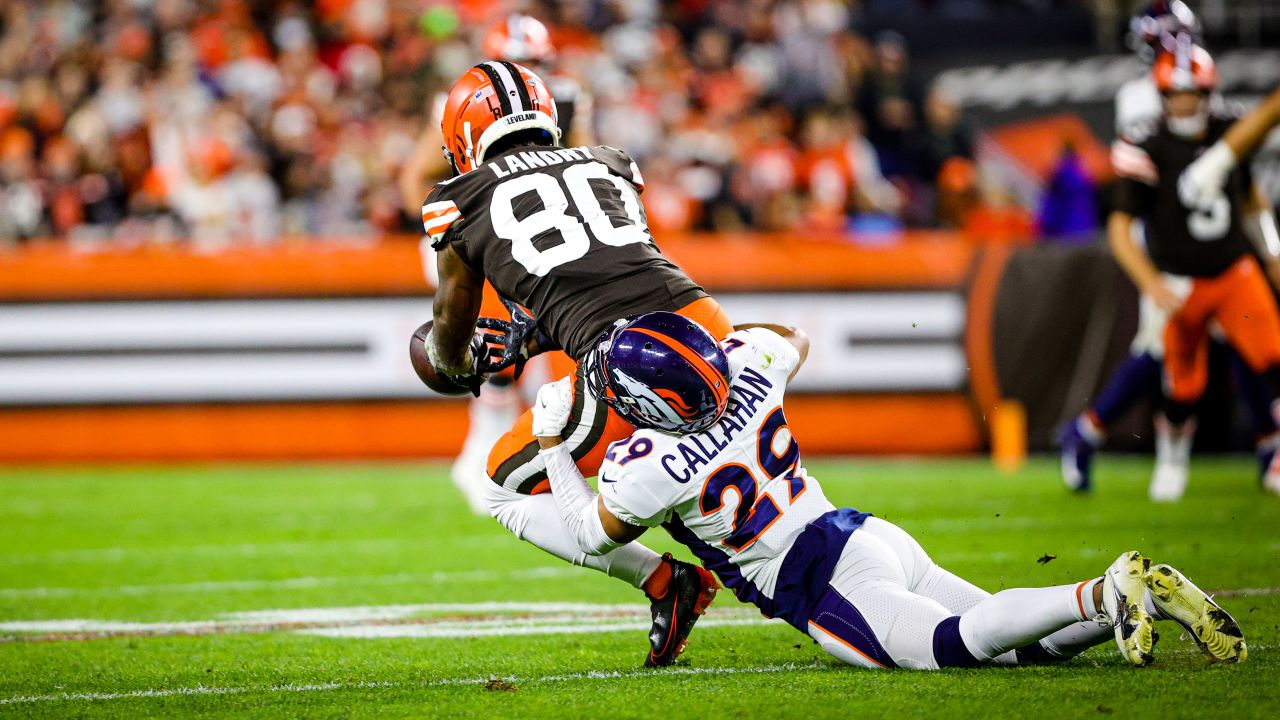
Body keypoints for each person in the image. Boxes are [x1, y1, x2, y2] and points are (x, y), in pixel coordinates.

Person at [525, 311, 1247, 669]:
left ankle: (1104, 594)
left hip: (816, 582)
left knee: (954, 648)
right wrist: (724, 355)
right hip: (862, 533)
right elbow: (790, 340)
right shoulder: (750, 363)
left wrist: (555, 445)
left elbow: (588, 532)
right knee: (1016, 644)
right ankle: (1138, 595)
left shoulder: (646, 463)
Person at [411, 60, 733, 666]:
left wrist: (452, 361)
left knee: (500, 485)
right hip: (708, 328)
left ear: (461, 135)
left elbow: (453, 319)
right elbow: (614, 265)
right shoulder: (609, 162)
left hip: (627, 359)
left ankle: (666, 581)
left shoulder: (458, 199)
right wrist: (531, 338)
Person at [1060, 1, 1279, 495]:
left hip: (1221, 255)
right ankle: (1090, 431)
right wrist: (1151, 275)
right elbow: (1138, 199)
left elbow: (1248, 188)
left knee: (1254, 345)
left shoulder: (1219, 115)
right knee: (1165, 356)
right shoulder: (1142, 109)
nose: (1185, 101)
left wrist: (1269, 247)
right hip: (1164, 250)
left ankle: (1269, 442)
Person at [397, 13, 591, 515]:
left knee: (544, 336)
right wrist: (453, 227)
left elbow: (581, 164)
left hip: (534, 233)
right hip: (478, 234)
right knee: (497, 343)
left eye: (534, 62)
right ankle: (492, 446)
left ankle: (519, 450)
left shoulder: (567, 97)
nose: (527, 72)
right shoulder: (459, 103)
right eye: (516, 62)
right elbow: (416, 177)